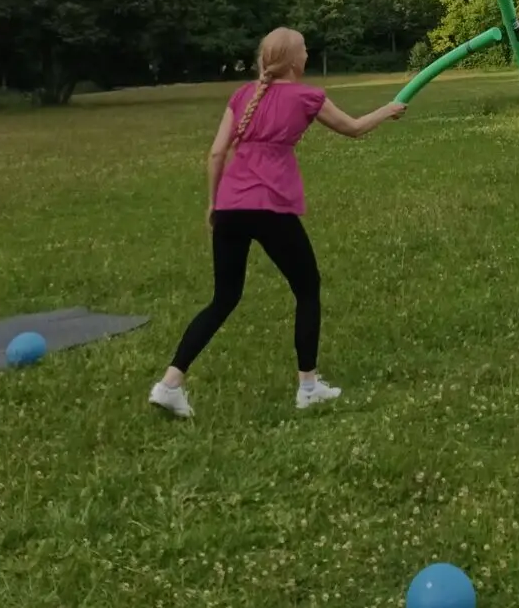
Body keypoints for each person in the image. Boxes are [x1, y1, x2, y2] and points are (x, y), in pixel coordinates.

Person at [148, 27, 405, 418]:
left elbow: (217, 154)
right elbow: (353, 129)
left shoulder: (242, 96)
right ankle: (308, 386)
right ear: (293, 60)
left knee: (224, 298)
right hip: (272, 205)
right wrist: (388, 110)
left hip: (231, 206)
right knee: (307, 288)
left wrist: (213, 204)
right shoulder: (307, 96)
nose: (306, 54)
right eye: (303, 50)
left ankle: (170, 383)